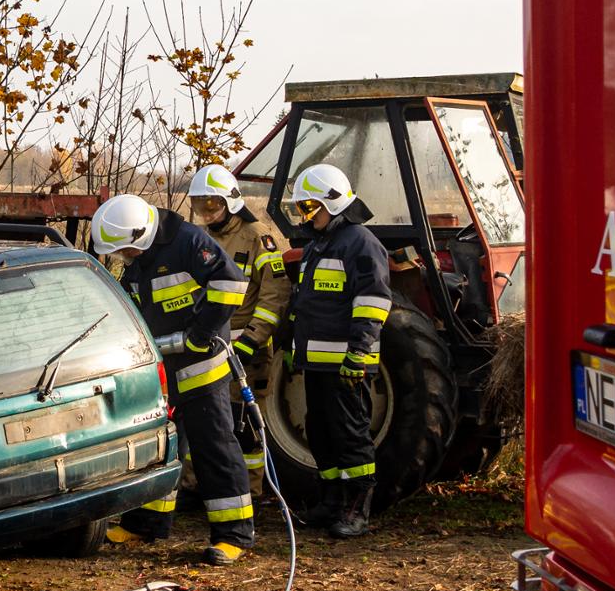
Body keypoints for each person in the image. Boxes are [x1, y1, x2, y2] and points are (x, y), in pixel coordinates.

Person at [91, 193, 255, 565]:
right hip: (162, 370)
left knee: (214, 449)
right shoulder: (141, 255)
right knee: (159, 449)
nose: (125, 258)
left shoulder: (188, 241)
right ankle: (146, 523)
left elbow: (231, 285)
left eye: (127, 251)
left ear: (141, 234)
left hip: (201, 367)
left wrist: (200, 333)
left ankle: (233, 534)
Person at [282, 163, 391, 538]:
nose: (304, 216)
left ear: (334, 202)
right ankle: (330, 501)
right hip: (318, 364)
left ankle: (357, 509)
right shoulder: (319, 244)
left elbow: (373, 303)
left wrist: (357, 354)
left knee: (351, 436)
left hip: (347, 363)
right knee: (321, 430)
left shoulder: (360, 243)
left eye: (309, 207)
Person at [185, 164, 291, 497]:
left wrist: (252, 340)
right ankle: (195, 487)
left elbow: (275, 295)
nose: (206, 213)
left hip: (246, 351)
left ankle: (249, 491)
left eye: (212, 205)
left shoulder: (258, 237)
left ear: (230, 201)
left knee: (243, 425)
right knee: (203, 422)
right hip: (208, 346)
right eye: (200, 206)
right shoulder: (200, 240)